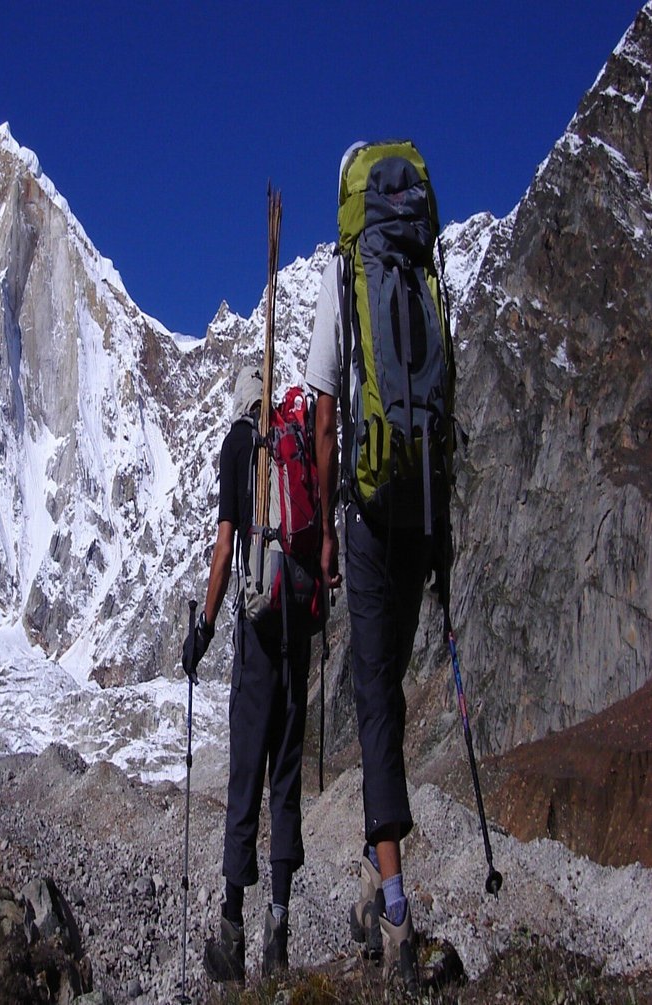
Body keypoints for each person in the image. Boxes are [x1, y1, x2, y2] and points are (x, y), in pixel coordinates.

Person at [304, 142, 436, 993]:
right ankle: (374, 872)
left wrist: (321, 530)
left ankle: (393, 910)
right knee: (388, 685)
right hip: (424, 501)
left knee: (374, 704)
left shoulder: (343, 278)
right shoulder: (421, 274)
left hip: (365, 505)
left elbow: (322, 412)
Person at [182, 364, 318, 983]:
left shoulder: (239, 445)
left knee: (245, 779)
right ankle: (279, 937)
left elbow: (224, 544)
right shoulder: (290, 441)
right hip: (298, 626)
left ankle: (231, 935)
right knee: (285, 781)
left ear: (239, 403)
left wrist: (204, 627)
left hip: (257, 632)